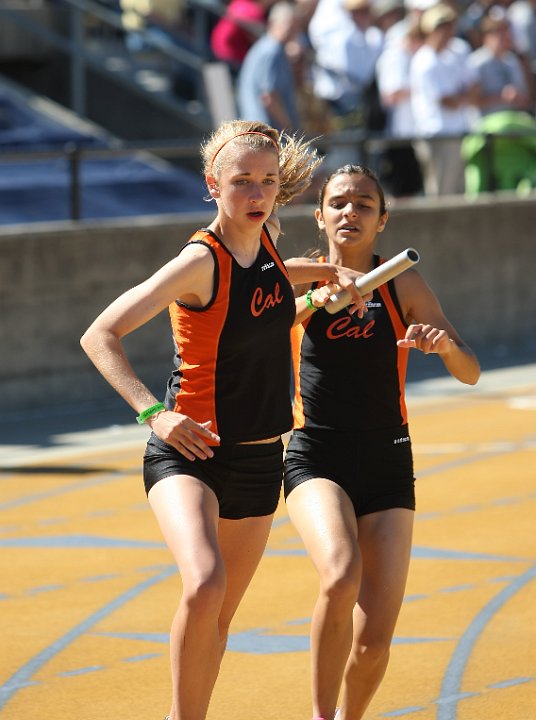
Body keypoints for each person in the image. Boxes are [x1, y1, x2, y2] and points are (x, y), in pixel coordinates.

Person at [79, 119, 366, 720]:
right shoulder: (197, 261)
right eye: (242, 182)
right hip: (190, 451)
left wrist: (323, 280)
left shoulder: (266, 246)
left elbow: (268, 295)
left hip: (262, 457)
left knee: (219, 619)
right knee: (205, 585)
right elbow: (99, 334)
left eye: (266, 182)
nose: (256, 195)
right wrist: (153, 415)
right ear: (212, 184)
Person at [283, 164, 481, 720]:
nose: (351, 212)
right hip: (315, 453)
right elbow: (263, 331)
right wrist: (320, 300)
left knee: (373, 641)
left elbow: (470, 371)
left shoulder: (402, 281)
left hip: (388, 458)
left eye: (364, 204)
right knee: (340, 574)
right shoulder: (294, 279)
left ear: (382, 220)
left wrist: (441, 346)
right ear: (319, 215)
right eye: (339, 203)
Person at [409, 3, 480, 194]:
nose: (447, 31)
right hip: (436, 136)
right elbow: (448, 102)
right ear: (430, 30)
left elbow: (473, 89)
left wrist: (462, 97)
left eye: (449, 25)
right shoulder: (425, 61)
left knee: (459, 191)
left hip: (457, 133)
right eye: (441, 26)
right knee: (441, 193)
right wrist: (465, 97)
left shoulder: (456, 53)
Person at [237, 2, 302, 131]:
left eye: (296, 26)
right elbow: (269, 97)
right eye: (289, 25)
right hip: (266, 132)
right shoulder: (272, 50)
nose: (294, 31)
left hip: (262, 131)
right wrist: (288, 128)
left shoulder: (270, 48)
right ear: (273, 24)